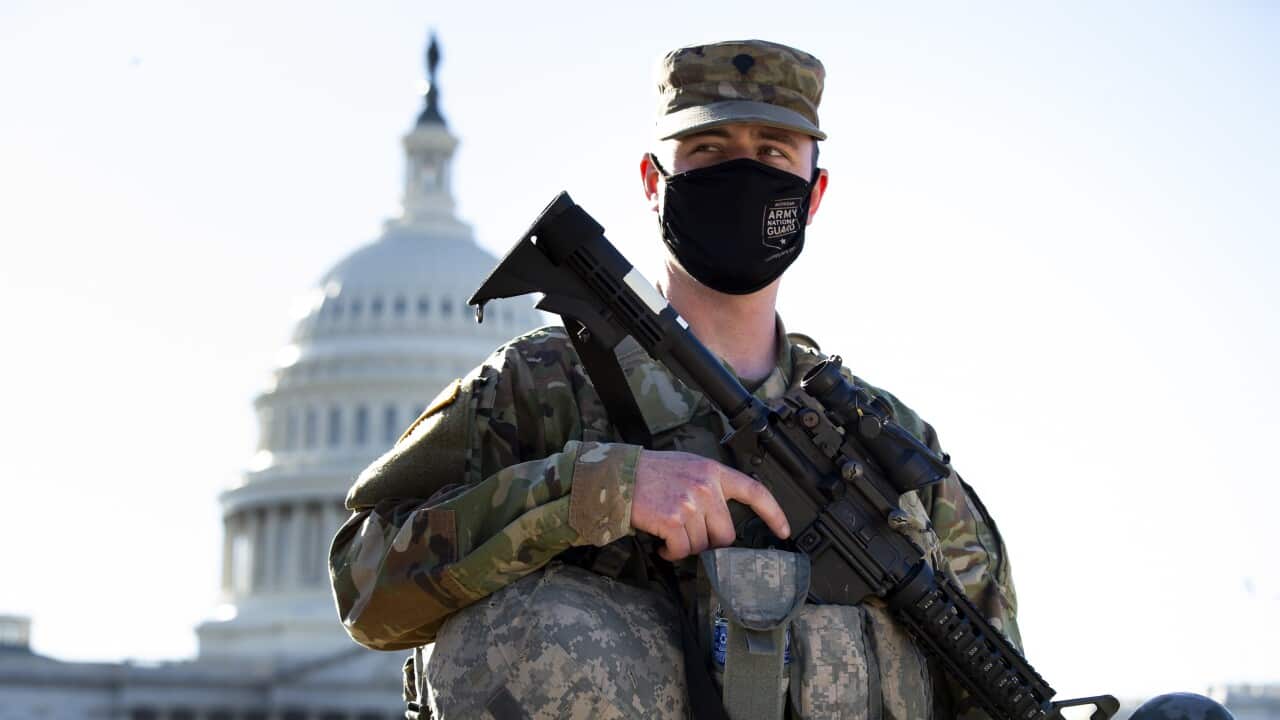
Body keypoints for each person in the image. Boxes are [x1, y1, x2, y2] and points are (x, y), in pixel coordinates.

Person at [330, 39, 1022, 720]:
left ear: (814, 194)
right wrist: (595, 491)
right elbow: (364, 584)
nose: (743, 176)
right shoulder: (543, 386)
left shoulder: (894, 448)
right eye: (709, 151)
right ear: (653, 181)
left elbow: (987, 668)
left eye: (773, 153)